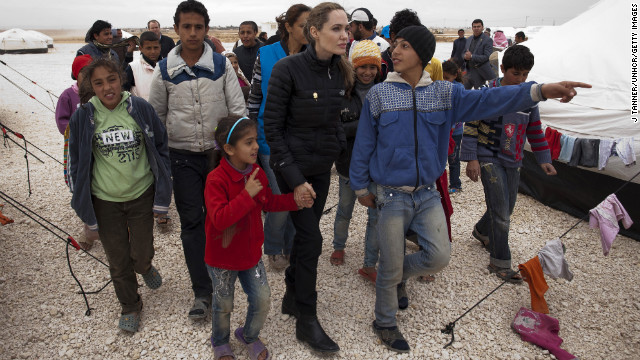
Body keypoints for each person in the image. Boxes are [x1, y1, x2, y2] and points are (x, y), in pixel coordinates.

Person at [349, 25, 590, 353]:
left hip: (427, 192)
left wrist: (540, 90)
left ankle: (397, 275)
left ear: (422, 54)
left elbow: (491, 98)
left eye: (404, 46)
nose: (395, 51)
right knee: (389, 262)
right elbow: (364, 144)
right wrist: (361, 186)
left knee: (439, 256)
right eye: (395, 45)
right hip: (390, 194)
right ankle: (385, 320)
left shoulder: (445, 94)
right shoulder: (379, 95)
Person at [263, 2, 353, 353]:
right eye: (336, 28)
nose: (344, 35)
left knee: (303, 239)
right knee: (312, 240)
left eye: (346, 28)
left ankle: (290, 296)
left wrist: (337, 150)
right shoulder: (288, 69)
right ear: (314, 32)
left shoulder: (340, 71)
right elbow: (272, 127)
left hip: (320, 171)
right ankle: (307, 320)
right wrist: (296, 179)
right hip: (292, 172)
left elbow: (333, 121)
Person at [148, 0, 246, 321]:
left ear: (206, 29)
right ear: (175, 29)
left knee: (223, 218)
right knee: (191, 225)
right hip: (182, 159)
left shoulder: (220, 65)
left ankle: (225, 281)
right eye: (186, 27)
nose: (192, 33)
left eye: (198, 27)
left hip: (219, 159)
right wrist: (160, 163)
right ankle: (202, 292)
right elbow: (157, 119)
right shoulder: (164, 70)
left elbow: (238, 112)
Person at [68, 58, 172, 333]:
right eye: (98, 83)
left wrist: (163, 191)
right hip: (105, 199)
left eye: (111, 79)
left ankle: (146, 266)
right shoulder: (84, 115)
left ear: (121, 79)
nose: (107, 87)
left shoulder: (139, 107)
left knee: (140, 252)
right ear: (91, 86)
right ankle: (130, 304)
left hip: (141, 194)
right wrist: (80, 197)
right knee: (117, 259)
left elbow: (161, 145)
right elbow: (76, 159)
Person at [204, 116, 309, 360]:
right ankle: (220, 341)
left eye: (255, 141)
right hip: (221, 259)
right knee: (223, 305)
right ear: (229, 149)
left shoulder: (257, 173)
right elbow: (220, 218)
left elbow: (269, 202)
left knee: (262, 299)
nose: (256, 147)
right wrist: (247, 194)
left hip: (250, 255)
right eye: (248, 142)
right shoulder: (215, 180)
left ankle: (248, 335)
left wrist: (294, 201)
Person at [460, 45, 557, 283]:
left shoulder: (530, 97)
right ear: (502, 69)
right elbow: (471, 125)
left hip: (514, 159)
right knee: (502, 212)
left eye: (525, 74)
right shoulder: (488, 92)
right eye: (516, 74)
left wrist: (544, 158)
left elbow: (534, 130)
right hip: (488, 157)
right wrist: (471, 158)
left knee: (507, 206)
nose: (521, 79)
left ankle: (482, 231)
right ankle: (500, 261)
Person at [247, 3, 311, 271]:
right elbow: (255, 96)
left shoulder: (314, 56)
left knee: (298, 194)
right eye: (303, 26)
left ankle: (291, 245)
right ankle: (273, 248)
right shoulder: (266, 54)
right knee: (277, 197)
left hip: (301, 137)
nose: (309, 31)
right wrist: (251, 135)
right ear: (288, 27)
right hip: (269, 137)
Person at [330, 40, 381, 283]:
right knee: (344, 210)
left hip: (378, 168)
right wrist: (366, 126)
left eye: (373, 67)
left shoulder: (385, 91)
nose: (367, 72)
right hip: (348, 165)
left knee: (375, 216)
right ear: (354, 67)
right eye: (362, 67)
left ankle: (370, 263)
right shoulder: (342, 92)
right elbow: (335, 127)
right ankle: (339, 245)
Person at [57, 54, 99, 250]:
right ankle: (88, 231)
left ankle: (106, 229)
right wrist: (75, 129)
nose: (89, 76)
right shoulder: (68, 95)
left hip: (98, 147)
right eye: (84, 72)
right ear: (76, 74)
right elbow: (62, 120)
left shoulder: (100, 93)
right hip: (77, 146)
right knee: (82, 184)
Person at [442, 60, 464, 194]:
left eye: (447, 78)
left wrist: (452, 126)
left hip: (455, 131)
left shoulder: (458, 88)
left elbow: (459, 110)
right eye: (442, 77)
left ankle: (456, 184)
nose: (444, 81)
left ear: (455, 75)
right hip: (443, 130)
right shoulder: (440, 87)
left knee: (454, 158)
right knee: (441, 157)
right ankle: (441, 184)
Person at [124, 31, 161, 101]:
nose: (153, 51)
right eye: (148, 48)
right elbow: (123, 94)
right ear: (141, 48)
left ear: (160, 47)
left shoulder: (166, 66)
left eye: (156, 48)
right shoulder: (132, 68)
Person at [463, 19, 494, 89]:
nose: (476, 28)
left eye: (478, 26)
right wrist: (465, 57)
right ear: (472, 28)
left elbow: (487, 56)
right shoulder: (469, 39)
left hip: (479, 72)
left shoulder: (487, 40)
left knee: (478, 94)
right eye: (474, 26)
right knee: (464, 92)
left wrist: (471, 56)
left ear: (482, 27)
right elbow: (464, 52)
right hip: (468, 71)